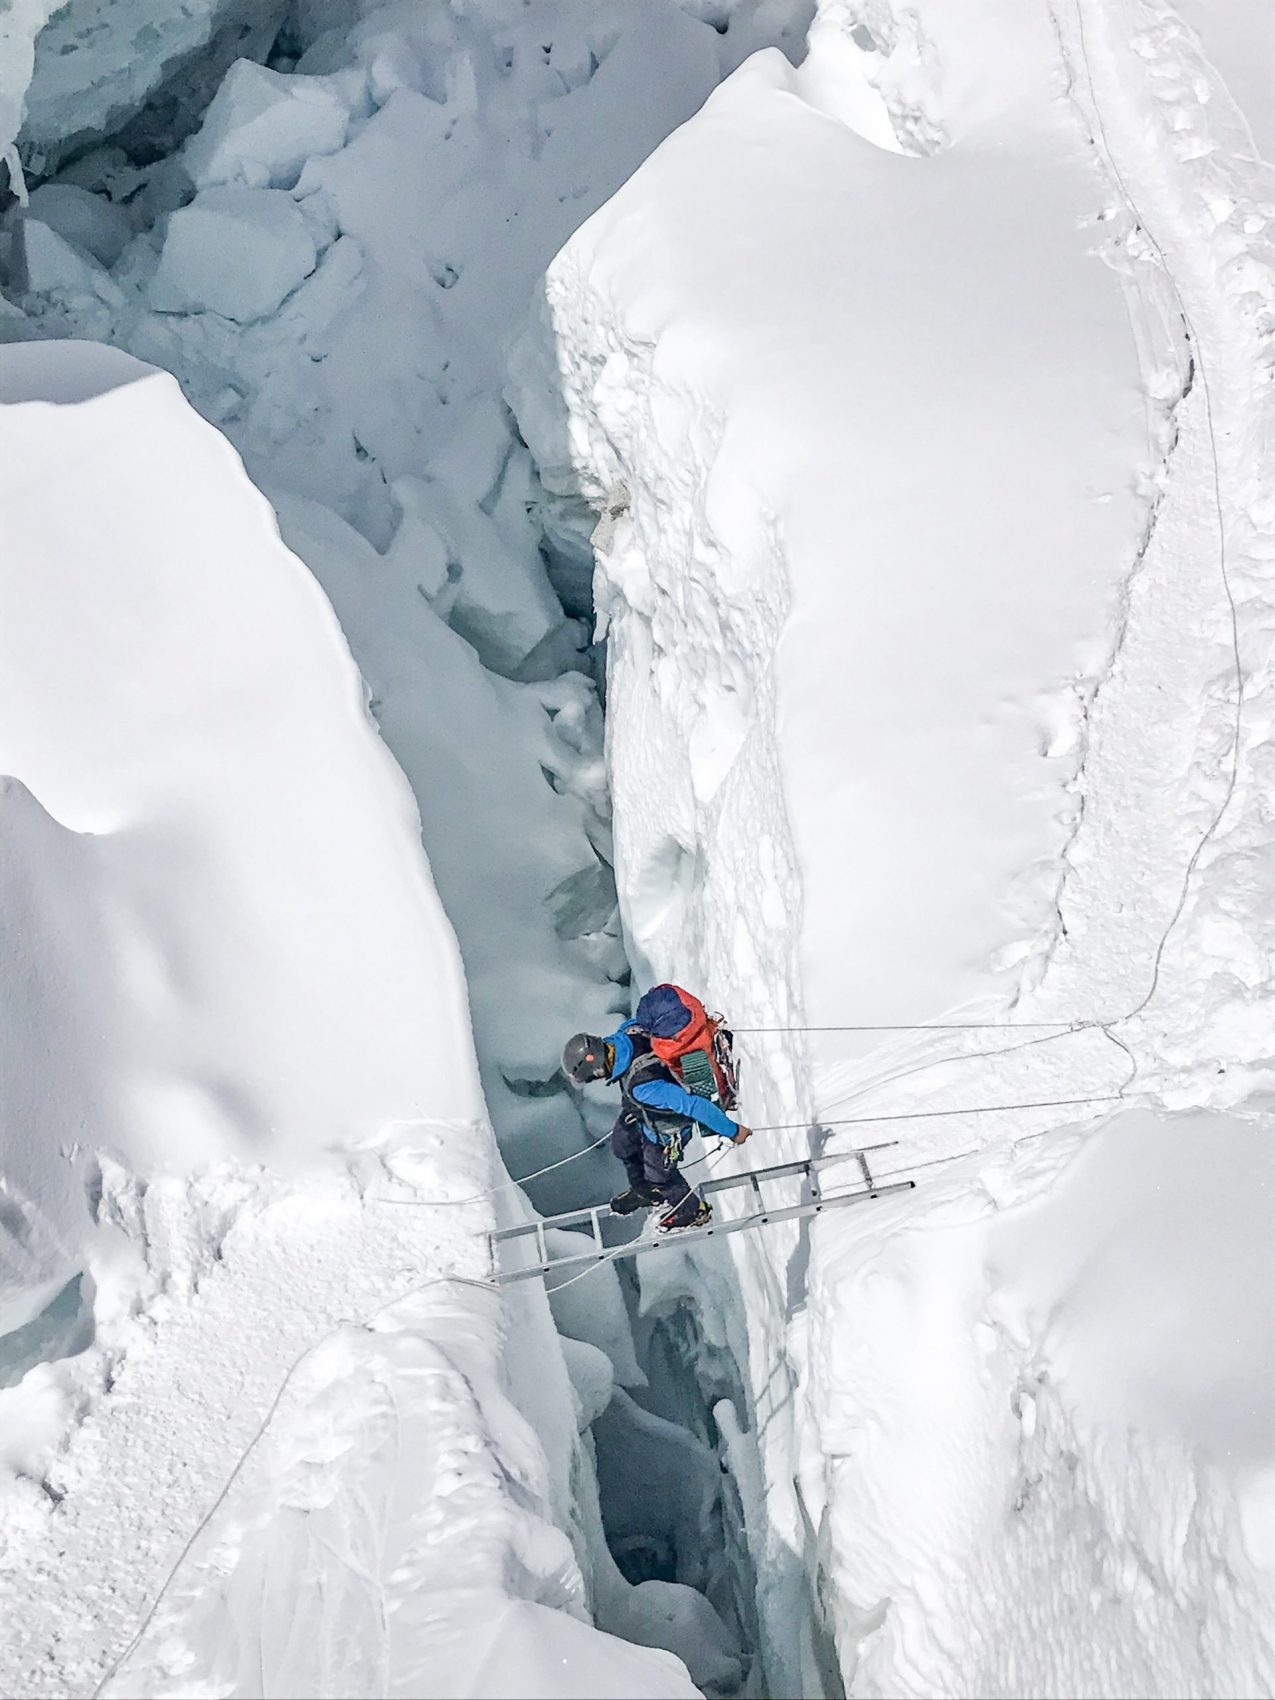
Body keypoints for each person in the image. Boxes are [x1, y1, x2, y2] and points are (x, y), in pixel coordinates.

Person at [562, 1024, 752, 1231]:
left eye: (594, 1076)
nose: (598, 1079)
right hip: (641, 1114)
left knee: (661, 1175)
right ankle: (647, 1191)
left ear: (597, 1067)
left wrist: (733, 1131)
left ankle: (692, 1210)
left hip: (666, 1130)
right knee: (622, 1144)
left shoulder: (644, 1088)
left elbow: (692, 1105)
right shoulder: (626, 1034)